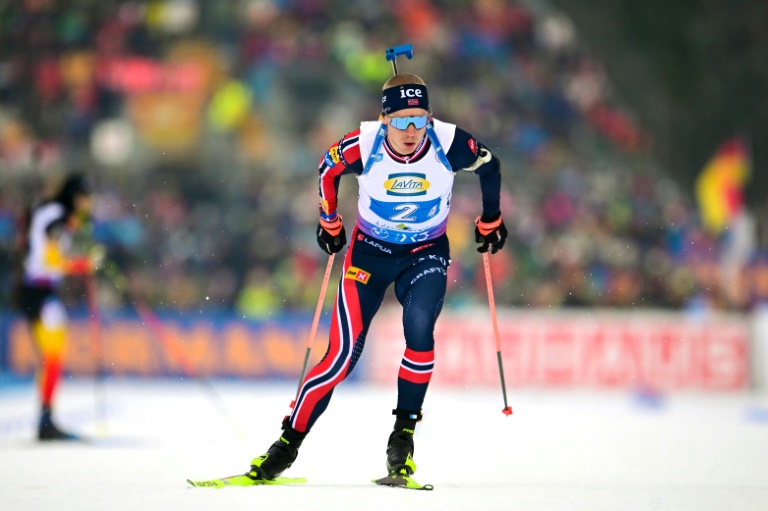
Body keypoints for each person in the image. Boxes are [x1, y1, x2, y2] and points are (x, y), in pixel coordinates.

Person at [247, 71, 507, 482]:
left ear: (429, 118)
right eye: (401, 120)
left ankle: (402, 437)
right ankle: (286, 445)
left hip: (425, 252)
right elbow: (326, 170)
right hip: (370, 254)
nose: (410, 130)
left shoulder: (449, 141)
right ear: (384, 120)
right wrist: (329, 221)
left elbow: (490, 166)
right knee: (339, 358)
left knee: (420, 331)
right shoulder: (363, 143)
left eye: (419, 119)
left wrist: (491, 219)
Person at [15, 173, 102, 441]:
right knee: (53, 355)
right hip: (38, 291)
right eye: (86, 199)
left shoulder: (55, 212)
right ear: (76, 197)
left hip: (37, 290)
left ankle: (46, 417)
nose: (89, 205)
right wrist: (82, 265)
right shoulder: (58, 214)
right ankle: (45, 421)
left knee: (52, 356)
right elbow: (51, 258)